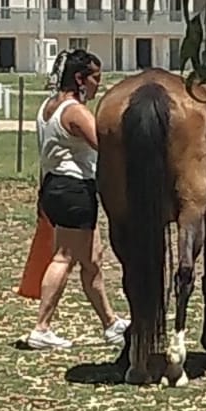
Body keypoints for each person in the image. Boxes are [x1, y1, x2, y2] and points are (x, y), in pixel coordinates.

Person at [26, 49, 129, 352]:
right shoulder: (75, 112)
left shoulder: (48, 106)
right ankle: (41, 328)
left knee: (93, 259)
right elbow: (106, 147)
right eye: (96, 78)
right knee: (64, 258)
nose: (100, 84)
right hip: (73, 189)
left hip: (54, 186)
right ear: (81, 79)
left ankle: (110, 324)